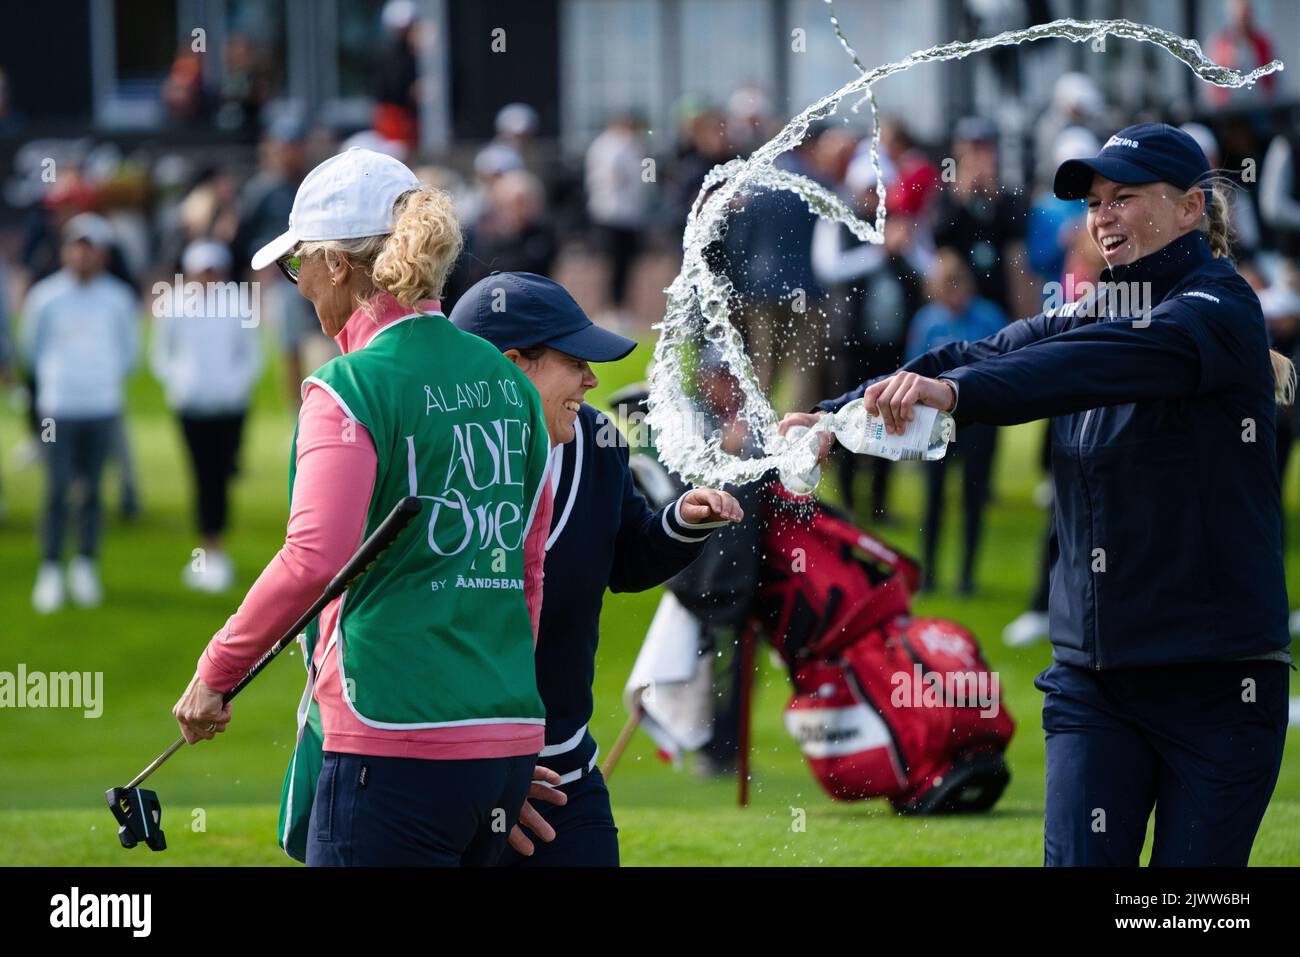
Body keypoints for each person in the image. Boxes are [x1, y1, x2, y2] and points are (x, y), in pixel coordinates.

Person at [782, 123, 1294, 866]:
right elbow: (986, 350)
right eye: (1094, 202)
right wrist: (845, 411)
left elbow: (1070, 368)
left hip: (1216, 684)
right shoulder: (1099, 310)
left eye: (1125, 197)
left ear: (1190, 209)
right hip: (1095, 683)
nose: (1103, 216)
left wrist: (952, 394)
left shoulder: (1215, 310)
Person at [171, 148, 555, 867]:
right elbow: (527, 569)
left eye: (299, 268)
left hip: (390, 738)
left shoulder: (349, 385)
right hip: (502, 737)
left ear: (338, 266)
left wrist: (216, 670)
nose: (299, 287)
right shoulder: (512, 387)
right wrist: (496, 721)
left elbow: (313, 558)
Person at [450, 271, 744, 866]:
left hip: (565, 775)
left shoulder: (597, 440)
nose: (592, 379)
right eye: (574, 361)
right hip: (452, 781)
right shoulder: (433, 459)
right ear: (512, 366)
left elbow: (625, 556)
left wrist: (681, 520)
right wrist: (488, 775)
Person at [22, 213, 139, 613]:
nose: (82, 255)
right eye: (76, 246)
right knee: (56, 488)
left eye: (90, 247)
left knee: (91, 488)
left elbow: (128, 353)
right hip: (58, 408)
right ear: (66, 250)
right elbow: (31, 351)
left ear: (102, 253)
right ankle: (51, 568)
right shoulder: (46, 297)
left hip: (102, 406)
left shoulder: (118, 298)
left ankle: (86, 563)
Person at [150, 240, 261, 592]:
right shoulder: (174, 303)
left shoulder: (238, 301)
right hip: (191, 404)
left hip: (229, 405)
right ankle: (208, 550)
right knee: (202, 475)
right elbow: (161, 353)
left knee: (222, 472)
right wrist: (179, 383)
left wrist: (235, 386)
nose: (207, 276)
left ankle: (215, 548)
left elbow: (252, 354)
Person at [904, 250, 1006, 594]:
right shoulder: (927, 321)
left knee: (973, 498)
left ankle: (966, 577)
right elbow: (911, 370)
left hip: (978, 420)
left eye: (959, 286)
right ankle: (928, 575)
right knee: (933, 499)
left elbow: (1005, 365)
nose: (955, 296)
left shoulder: (990, 317)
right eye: (946, 288)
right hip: (935, 424)